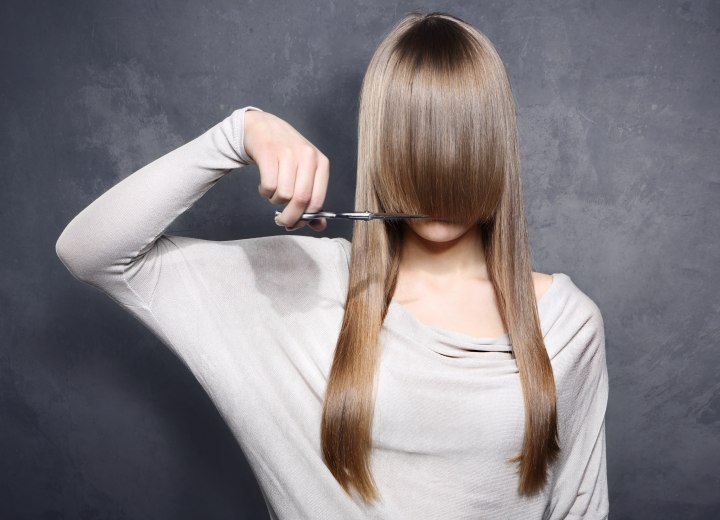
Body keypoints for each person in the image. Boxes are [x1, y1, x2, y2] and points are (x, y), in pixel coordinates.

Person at [56, 10, 609, 520]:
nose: (440, 167)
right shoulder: (302, 285)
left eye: (463, 138)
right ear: (380, 147)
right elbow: (91, 252)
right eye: (413, 139)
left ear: (497, 147)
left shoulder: (566, 326)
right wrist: (240, 132)